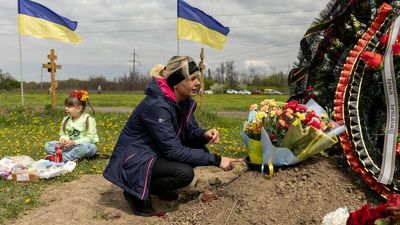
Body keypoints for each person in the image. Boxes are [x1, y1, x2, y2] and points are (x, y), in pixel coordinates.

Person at [103, 56, 242, 217]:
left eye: (198, 78)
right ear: (176, 82)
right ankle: (134, 193)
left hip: (154, 153)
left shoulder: (183, 101)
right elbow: (173, 150)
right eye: (192, 79)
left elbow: (190, 131)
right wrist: (217, 160)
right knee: (185, 173)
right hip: (135, 159)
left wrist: (203, 134)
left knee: (200, 149)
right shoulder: (157, 105)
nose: (198, 83)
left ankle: (157, 187)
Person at [44, 90, 99, 162]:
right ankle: (69, 156)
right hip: (69, 146)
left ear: (79, 108)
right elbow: (64, 134)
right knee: (48, 145)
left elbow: (89, 139)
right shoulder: (66, 120)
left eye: (69, 106)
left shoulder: (88, 120)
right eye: (66, 106)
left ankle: (62, 158)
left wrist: (74, 142)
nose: (66, 108)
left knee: (85, 147)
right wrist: (63, 140)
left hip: (84, 146)